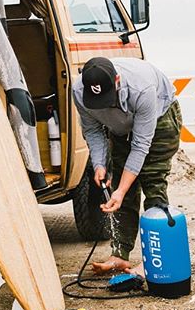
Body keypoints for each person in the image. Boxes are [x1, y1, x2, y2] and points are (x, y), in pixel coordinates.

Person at [72, 56, 181, 275]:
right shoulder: (78, 91)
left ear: (117, 81)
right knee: (122, 187)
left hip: (160, 120)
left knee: (152, 180)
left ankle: (154, 259)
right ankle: (120, 255)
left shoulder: (142, 88)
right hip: (120, 129)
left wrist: (120, 190)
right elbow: (93, 130)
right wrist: (100, 165)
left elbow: (141, 146)